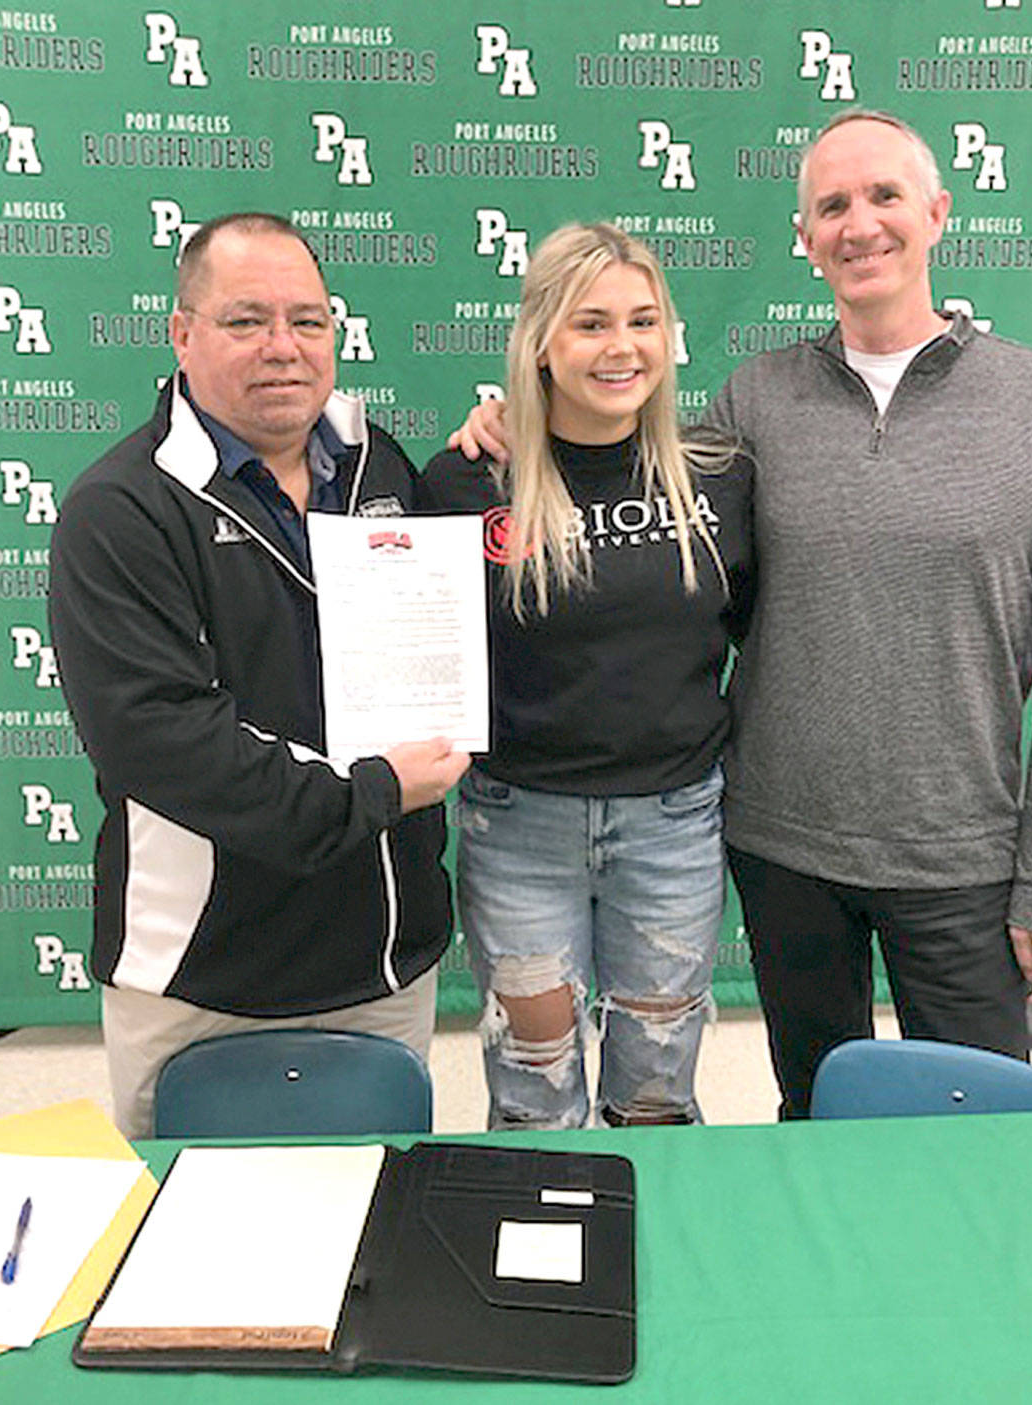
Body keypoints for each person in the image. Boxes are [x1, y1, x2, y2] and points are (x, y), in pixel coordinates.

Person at [452, 113, 1032, 1119]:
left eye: (884, 197)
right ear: (802, 239)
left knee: (977, 1132)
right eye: (831, 206)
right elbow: (646, 526)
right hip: (781, 849)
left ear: (936, 213)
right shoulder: (751, 407)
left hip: (958, 854)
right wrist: (510, 421)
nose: (860, 225)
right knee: (811, 1119)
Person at [49, 212, 469, 1137]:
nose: (284, 347)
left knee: (372, 1242)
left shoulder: (379, 469)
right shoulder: (119, 510)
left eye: (308, 321)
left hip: (384, 964)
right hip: (203, 983)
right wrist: (375, 793)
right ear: (183, 334)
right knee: (186, 1252)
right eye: (247, 321)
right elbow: (164, 743)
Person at [420, 223, 750, 1129]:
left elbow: (756, 634)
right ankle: (537, 1264)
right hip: (520, 823)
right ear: (542, 343)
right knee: (533, 1089)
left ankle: (646, 1256)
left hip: (674, 827)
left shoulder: (719, 475)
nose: (621, 347)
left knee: (653, 1092)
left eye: (643, 321)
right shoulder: (468, 482)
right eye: (590, 323)